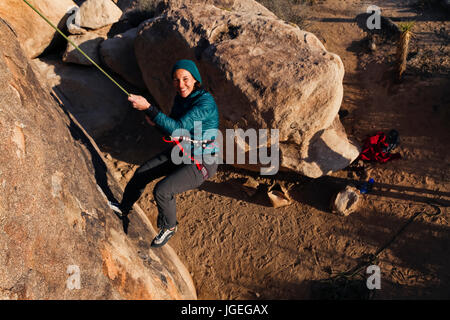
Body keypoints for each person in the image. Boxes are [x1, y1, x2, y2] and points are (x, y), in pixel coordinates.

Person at [109, 59, 220, 247]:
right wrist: (156, 122)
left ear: (195, 80)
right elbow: (172, 132)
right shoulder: (181, 98)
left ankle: (169, 226)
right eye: (176, 80)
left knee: (162, 190)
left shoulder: (205, 102)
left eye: (185, 79)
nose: (181, 84)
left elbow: (178, 128)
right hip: (183, 151)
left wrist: (150, 109)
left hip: (203, 161)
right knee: (142, 173)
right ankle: (123, 207)